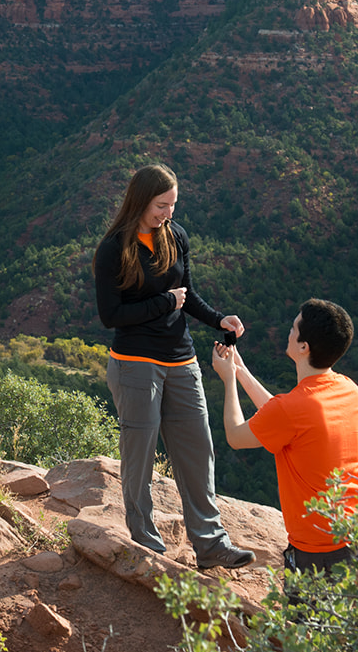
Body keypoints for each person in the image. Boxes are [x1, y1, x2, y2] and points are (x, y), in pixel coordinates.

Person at [94, 164, 256, 570]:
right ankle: (146, 543)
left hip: (181, 358)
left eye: (173, 205)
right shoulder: (114, 248)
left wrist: (220, 319)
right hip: (135, 363)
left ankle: (211, 544)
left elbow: (189, 295)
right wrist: (165, 303)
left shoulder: (176, 236)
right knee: (140, 454)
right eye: (161, 206)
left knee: (198, 451)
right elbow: (111, 315)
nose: (168, 213)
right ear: (140, 201)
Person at [210, 299, 358, 574]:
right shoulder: (349, 390)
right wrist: (240, 370)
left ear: (303, 347)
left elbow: (236, 436)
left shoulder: (292, 408)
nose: (288, 331)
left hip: (317, 551)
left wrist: (228, 381)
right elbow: (285, 417)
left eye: (293, 327)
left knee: (307, 618)